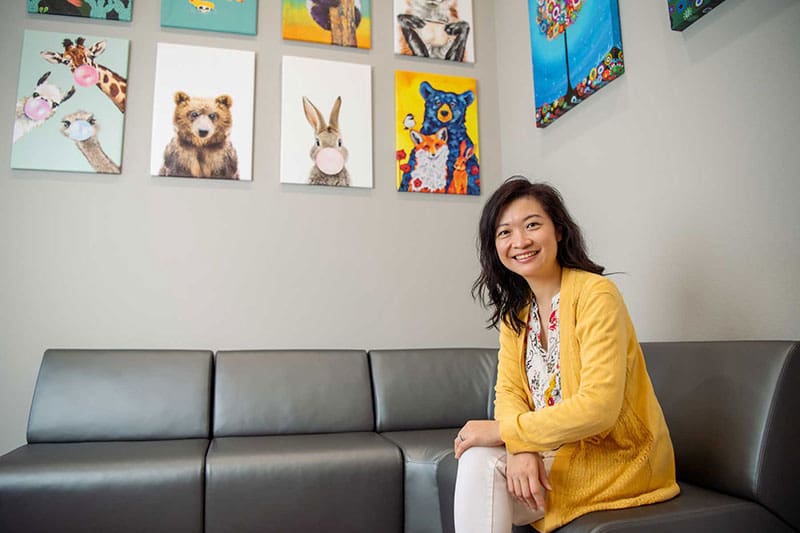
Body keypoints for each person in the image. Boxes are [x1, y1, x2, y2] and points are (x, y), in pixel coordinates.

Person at [453, 177, 679, 533]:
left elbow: (598, 408)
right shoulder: (518, 314)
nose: (520, 241)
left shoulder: (596, 295)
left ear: (558, 231)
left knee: (481, 465)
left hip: (613, 457)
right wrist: (519, 447)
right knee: (478, 459)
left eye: (532, 225)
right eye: (504, 232)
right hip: (552, 450)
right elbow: (509, 393)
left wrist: (506, 432)